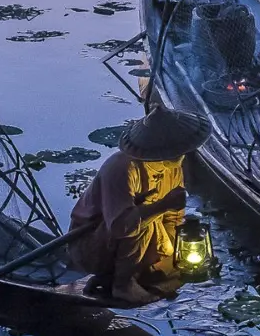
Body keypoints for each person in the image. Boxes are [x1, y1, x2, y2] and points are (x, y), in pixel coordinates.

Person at [69, 107, 210, 305]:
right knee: (140, 219)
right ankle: (123, 285)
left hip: (137, 247)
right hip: (93, 244)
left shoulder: (174, 166)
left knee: (174, 257)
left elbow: (173, 218)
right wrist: (160, 206)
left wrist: (174, 257)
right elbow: (120, 227)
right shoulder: (121, 169)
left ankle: (131, 272)